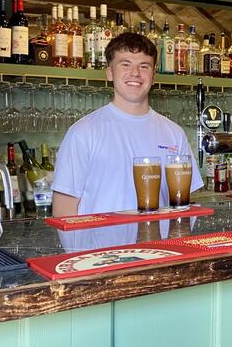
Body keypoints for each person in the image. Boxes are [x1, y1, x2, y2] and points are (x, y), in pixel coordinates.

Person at [52, 32, 203, 216]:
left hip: (159, 244)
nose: (135, 73)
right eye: (125, 64)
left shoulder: (174, 133)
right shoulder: (82, 133)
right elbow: (63, 210)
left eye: (144, 66)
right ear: (109, 72)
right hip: (102, 244)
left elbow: (185, 205)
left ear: (153, 75)